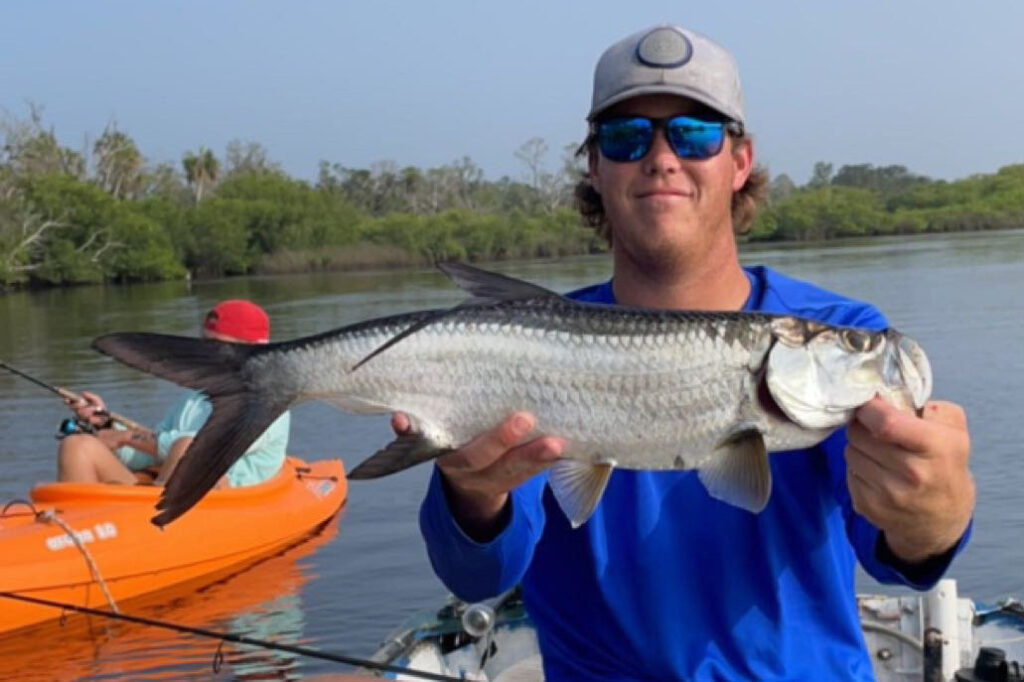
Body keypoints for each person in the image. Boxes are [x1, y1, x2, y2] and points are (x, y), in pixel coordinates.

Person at [414, 24, 974, 681]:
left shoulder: (835, 332)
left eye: (695, 132)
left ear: (740, 160)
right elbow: (478, 574)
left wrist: (933, 518)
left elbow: (896, 554)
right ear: (594, 167)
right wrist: (472, 499)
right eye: (626, 137)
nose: (661, 157)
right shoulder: (529, 346)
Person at [57, 300, 290, 489]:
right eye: (204, 343)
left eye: (218, 347)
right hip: (170, 491)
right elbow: (150, 457)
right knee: (78, 446)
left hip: (228, 501)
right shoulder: (194, 399)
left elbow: (203, 447)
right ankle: (74, 529)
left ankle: (153, 527)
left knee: (187, 447)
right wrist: (106, 428)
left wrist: (126, 437)